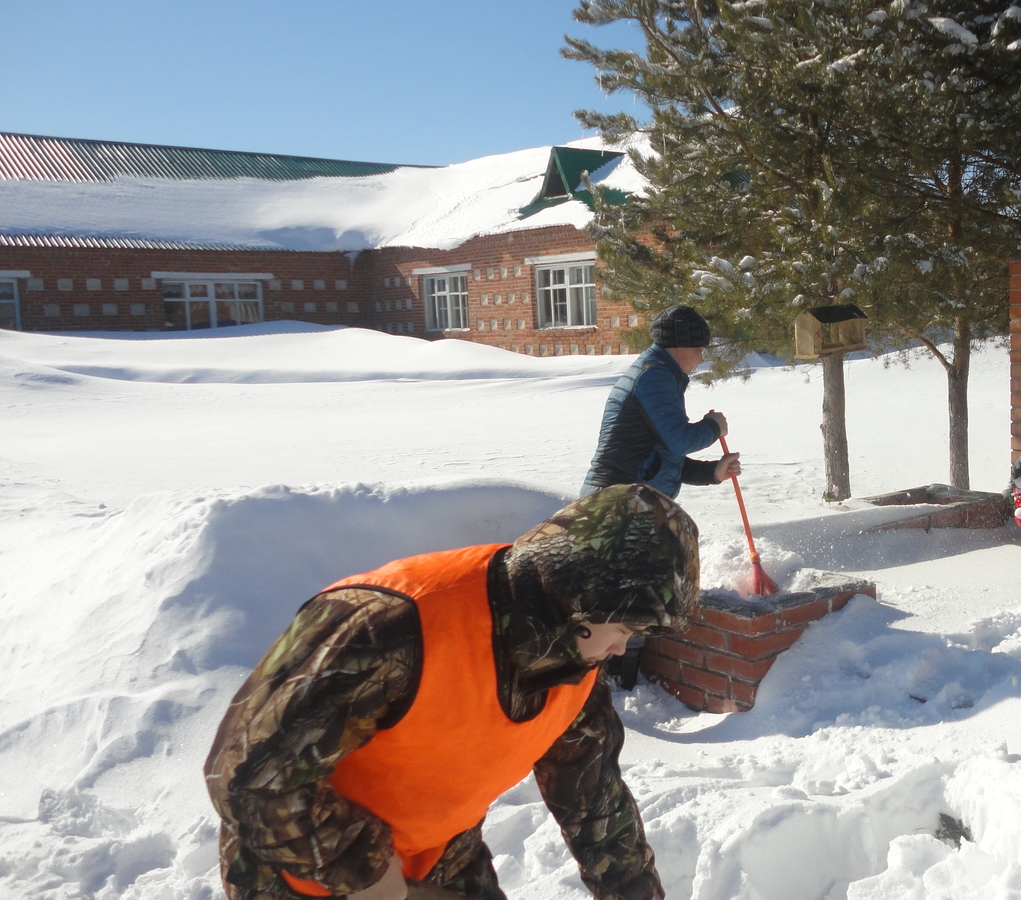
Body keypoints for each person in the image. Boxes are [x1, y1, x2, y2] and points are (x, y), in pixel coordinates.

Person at [204, 484, 698, 900]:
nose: (622, 648)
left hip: (441, 853)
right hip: (299, 864)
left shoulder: (573, 659)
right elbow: (247, 775)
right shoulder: (388, 625)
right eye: (625, 626)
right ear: (578, 596)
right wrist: (364, 872)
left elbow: (595, 802)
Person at [582, 304, 741, 500]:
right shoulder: (654, 376)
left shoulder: (659, 374)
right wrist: (714, 427)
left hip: (625, 497)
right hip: (618, 500)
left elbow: (660, 459)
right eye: (699, 348)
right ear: (680, 345)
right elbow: (680, 441)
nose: (701, 358)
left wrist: (713, 472)